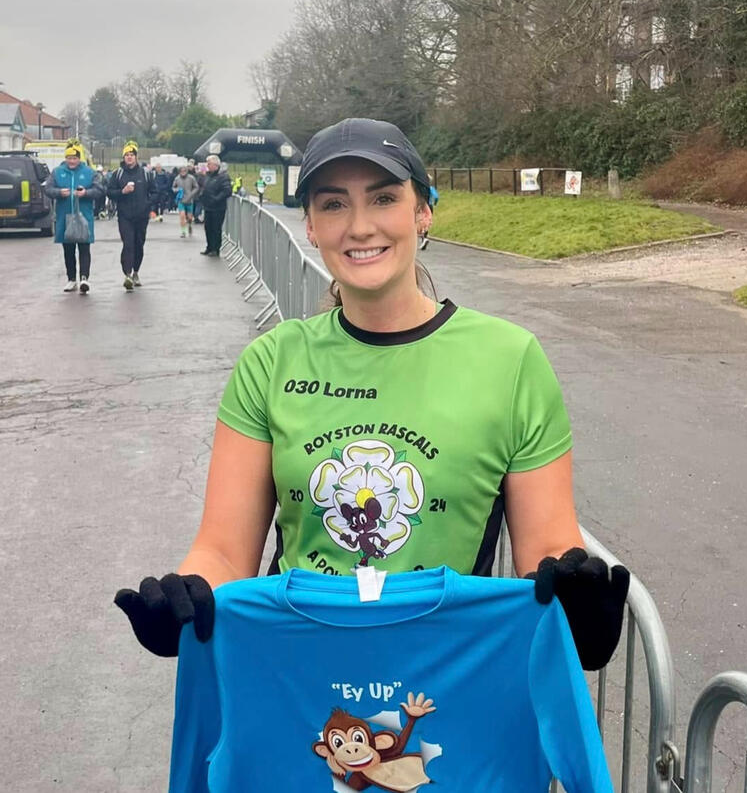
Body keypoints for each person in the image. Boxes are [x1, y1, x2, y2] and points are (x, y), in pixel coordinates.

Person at [115, 118, 629, 672]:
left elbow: (547, 543)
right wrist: (189, 597)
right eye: (333, 205)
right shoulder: (270, 362)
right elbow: (222, 551)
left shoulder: (511, 361)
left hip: (446, 687)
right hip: (295, 683)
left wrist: (575, 607)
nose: (359, 227)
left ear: (423, 211)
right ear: (310, 225)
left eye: (383, 198)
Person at [44, 140, 103, 293]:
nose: (72, 161)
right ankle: (71, 279)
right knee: (68, 249)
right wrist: (58, 193)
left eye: (74, 158)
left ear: (79, 158)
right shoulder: (57, 172)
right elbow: (48, 188)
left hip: (83, 216)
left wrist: (86, 193)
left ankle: (84, 278)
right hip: (64, 216)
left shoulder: (90, 172)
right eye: (69, 158)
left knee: (84, 247)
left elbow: (99, 190)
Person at [106, 141, 158, 290]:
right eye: (127, 155)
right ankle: (127, 273)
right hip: (125, 215)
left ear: (136, 157)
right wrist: (122, 192)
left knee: (139, 244)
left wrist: (148, 204)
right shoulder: (118, 174)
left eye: (132, 155)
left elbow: (155, 192)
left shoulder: (146, 174)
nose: (129, 158)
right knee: (128, 244)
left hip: (141, 216)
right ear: (123, 157)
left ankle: (136, 272)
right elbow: (109, 192)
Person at [198, 154, 232, 257]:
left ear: (215, 165)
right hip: (208, 206)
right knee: (208, 227)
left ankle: (215, 249)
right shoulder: (207, 176)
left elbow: (227, 191)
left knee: (216, 228)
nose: (207, 166)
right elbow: (204, 187)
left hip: (218, 208)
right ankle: (209, 247)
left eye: (209, 164)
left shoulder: (223, 177)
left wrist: (216, 199)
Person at [172, 163, 201, 238]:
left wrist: (191, 194)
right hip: (181, 200)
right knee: (182, 216)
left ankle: (190, 225)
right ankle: (183, 232)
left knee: (190, 217)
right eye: (181, 171)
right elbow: (173, 188)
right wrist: (177, 190)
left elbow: (196, 187)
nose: (183, 172)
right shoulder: (177, 179)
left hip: (189, 200)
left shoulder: (191, 178)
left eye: (184, 171)